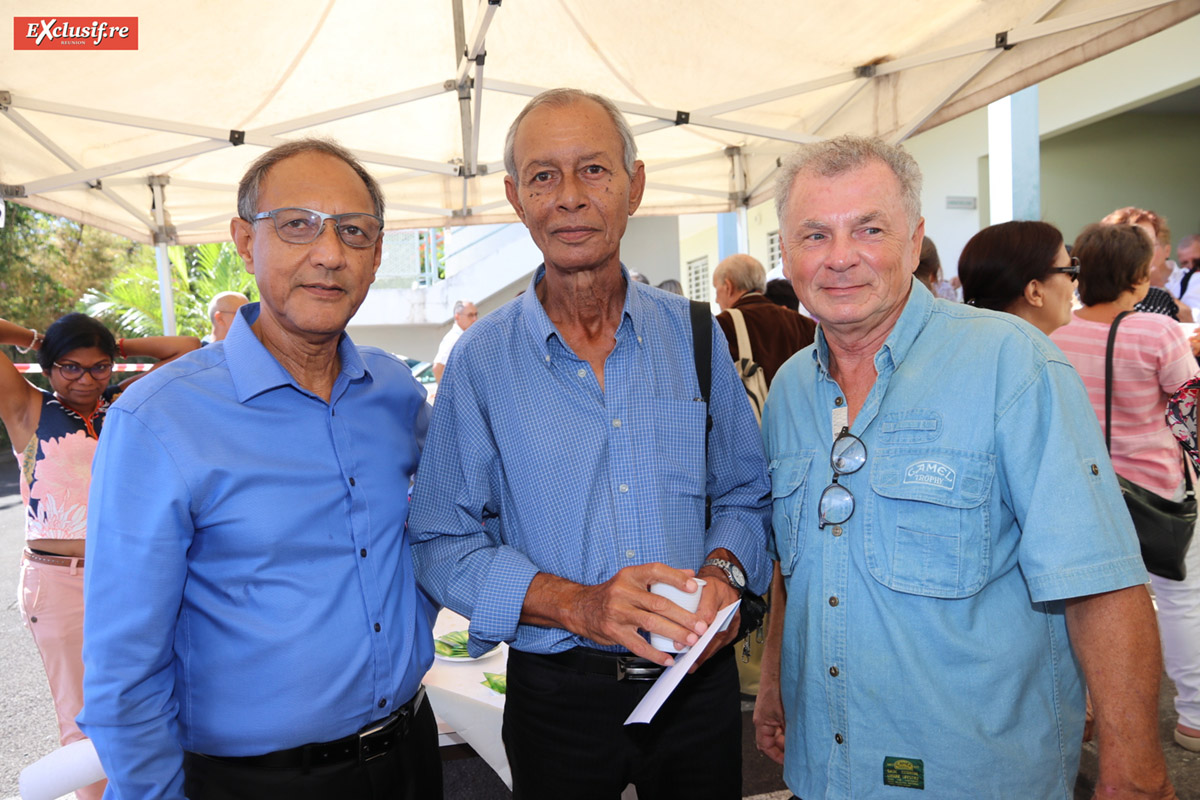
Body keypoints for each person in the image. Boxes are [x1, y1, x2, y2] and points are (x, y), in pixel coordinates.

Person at [755, 134, 1176, 799]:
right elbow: (796, 562)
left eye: (869, 229)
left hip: (973, 775)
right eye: (814, 235)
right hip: (827, 771)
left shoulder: (1013, 365)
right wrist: (775, 674)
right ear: (786, 250)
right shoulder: (787, 395)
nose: (840, 258)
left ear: (915, 237)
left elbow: (1100, 582)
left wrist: (1135, 771)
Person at [409, 88, 772, 799]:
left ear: (634, 186)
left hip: (694, 685)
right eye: (544, 175)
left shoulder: (696, 334)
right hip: (558, 700)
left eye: (595, 170)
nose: (570, 197)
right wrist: (579, 605)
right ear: (516, 198)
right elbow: (440, 543)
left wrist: (725, 573)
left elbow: (744, 491)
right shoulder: (480, 362)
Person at [80, 139, 440, 800]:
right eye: (297, 224)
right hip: (259, 784)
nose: (330, 254)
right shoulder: (161, 420)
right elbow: (124, 667)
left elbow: (455, 516)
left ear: (377, 253)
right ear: (245, 242)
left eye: (354, 232)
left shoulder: (394, 394)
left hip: (409, 756)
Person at [1, 314, 198, 800]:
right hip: (57, 580)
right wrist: (32, 338)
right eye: (70, 367)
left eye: (99, 366)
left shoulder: (123, 403)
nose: (86, 380)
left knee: (144, 700)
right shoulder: (27, 407)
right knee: (81, 715)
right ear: (47, 368)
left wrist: (117, 341)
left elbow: (187, 348)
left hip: (127, 576)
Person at [1051, 222, 1200, 755]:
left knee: (1090, 604)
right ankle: (1193, 718)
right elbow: (1188, 412)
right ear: (1138, 277)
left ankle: (1087, 711)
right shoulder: (1158, 331)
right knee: (1180, 600)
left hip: (1085, 492)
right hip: (1155, 489)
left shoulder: (1057, 336)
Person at [958, 220, 1078, 335]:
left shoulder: (966, 346)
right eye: (1070, 271)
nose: (1075, 283)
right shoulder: (1036, 355)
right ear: (1035, 292)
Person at [713, 253, 816, 386]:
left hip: (751, 407)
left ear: (728, 286)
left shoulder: (722, 325)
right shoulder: (803, 323)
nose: (716, 299)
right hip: (801, 405)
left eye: (716, 289)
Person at [1103, 206, 1191, 321]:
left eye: (1151, 243)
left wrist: (1159, 287)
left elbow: (1190, 322)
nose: (1146, 251)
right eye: (1136, 243)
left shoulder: (1162, 297)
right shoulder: (1095, 288)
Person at [432, 299, 478, 382]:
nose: (475, 319)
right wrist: (446, 392)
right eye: (470, 315)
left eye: (476, 314)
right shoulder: (453, 338)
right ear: (457, 316)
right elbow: (438, 368)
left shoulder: (464, 336)